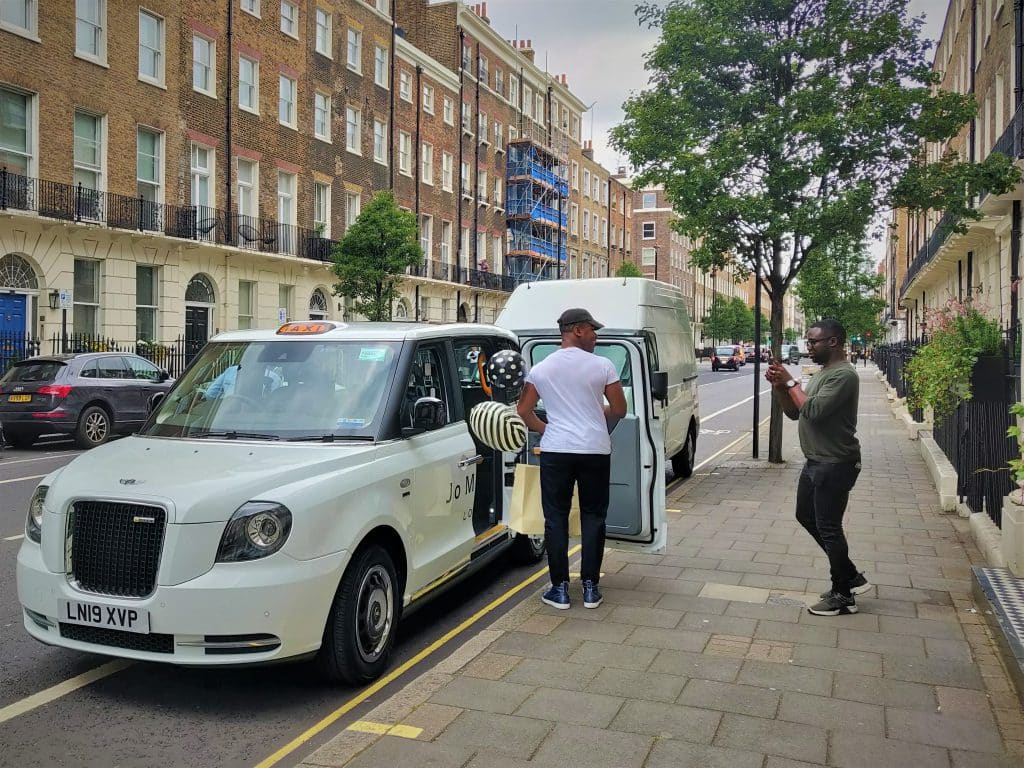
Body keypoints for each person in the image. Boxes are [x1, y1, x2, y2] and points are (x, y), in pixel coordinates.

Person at [516, 308, 628, 610]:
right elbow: (620, 409)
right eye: (592, 330)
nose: (596, 337)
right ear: (577, 330)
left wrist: (547, 429)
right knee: (594, 516)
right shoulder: (603, 366)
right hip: (594, 449)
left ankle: (559, 590)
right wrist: (597, 413)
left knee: (555, 518)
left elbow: (523, 410)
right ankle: (590, 588)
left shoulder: (541, 369)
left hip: (556, 451)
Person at [765, 318, 870, 616]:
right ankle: (850, 575)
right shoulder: (823, 373)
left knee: (829, 528)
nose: (808, 346)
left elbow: (813, 410)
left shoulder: (844, 375)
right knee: (805, 515)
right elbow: (795, 413)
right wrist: (779, 386)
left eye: (813, 342)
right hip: (816, 461)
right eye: (808, 341)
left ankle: (843, 595)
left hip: (835, 463)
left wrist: (790, 382)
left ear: (833, 342)